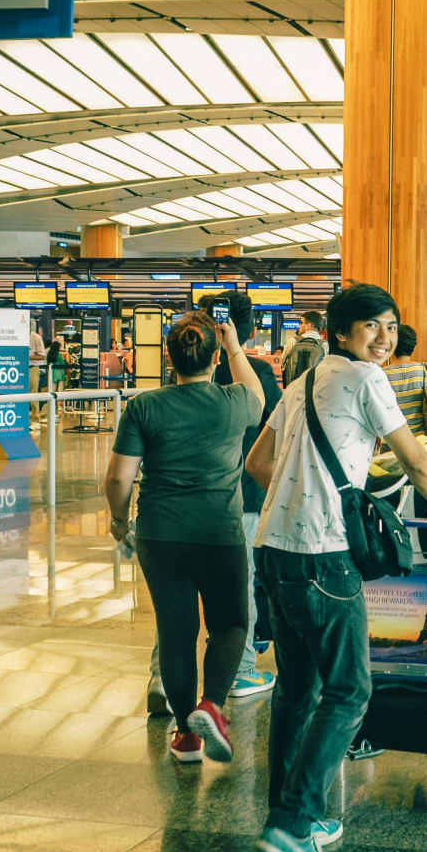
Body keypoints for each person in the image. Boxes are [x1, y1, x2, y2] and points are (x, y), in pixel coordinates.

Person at [245, 283, 427, 852]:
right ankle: (293, 823)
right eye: (372, 326)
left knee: (296, 689)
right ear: (342, 332)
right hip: (322, 555)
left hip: (274, 547)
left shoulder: (299, 383)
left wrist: (300, 497)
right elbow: (418, 460)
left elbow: (259, 466)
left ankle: (290, 816)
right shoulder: (368, 380)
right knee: (348, 691)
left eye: (391, 326)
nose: (385, 338)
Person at [103, 310, 267, 766]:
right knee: (232, 623)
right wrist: (234, 345)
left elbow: (118, 478)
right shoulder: (234, 401)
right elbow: (256, 393)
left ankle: (185, 736)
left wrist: (119, 522)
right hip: (220, 531)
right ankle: (211, 705)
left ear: (169, 359)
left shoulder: (144, 406)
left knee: (176, 632)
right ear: (213, 358)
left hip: (160, 533)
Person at [281, 310, 326, 386]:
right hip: (316, 391)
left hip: (294, 389)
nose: (299, 326)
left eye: (301, 323)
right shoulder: (325, 345)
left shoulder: (293, 342)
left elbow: (283, 366)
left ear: (308, 325)